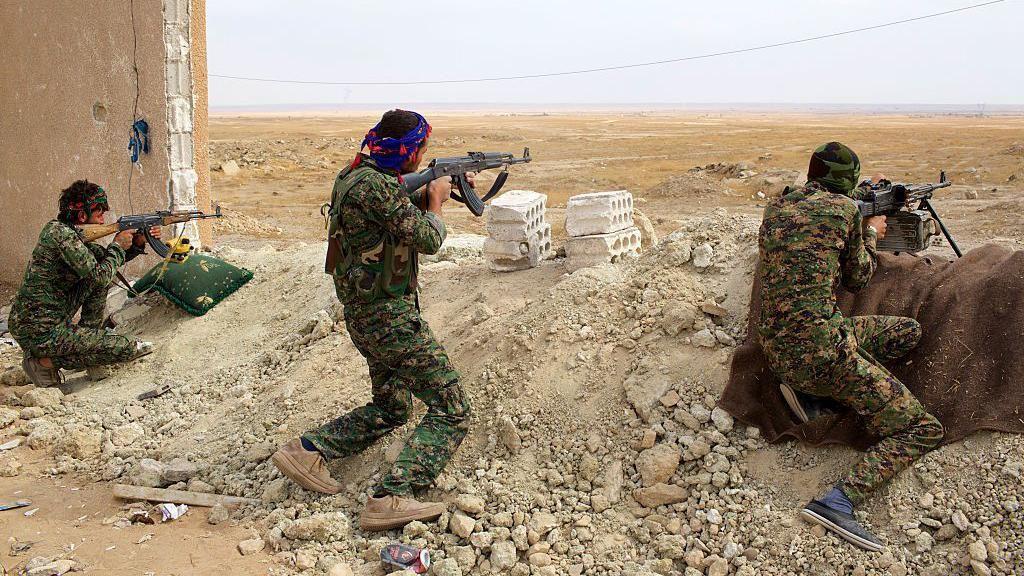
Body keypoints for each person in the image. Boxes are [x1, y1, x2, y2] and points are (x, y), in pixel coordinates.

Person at [271, 109, 471, 532]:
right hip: (389, 318)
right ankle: (393, 495)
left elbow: (386, 217)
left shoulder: (353, 176)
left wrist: (434, 190)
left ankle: (308, 450)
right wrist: (435, 200)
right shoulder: (377, 188)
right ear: (407, 151)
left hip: (365, 315)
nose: (422, 156)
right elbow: (429, 238)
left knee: (392, 407)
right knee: (452, 407)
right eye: (420, 150)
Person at [756, 142, 945, 552]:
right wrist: (870, 233)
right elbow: (858, 279)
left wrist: (862, 195)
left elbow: (827, 203)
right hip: (822, 353)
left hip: (777, 349)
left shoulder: (778, 207)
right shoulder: (843, 215)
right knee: (922, 429)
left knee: (906, 332)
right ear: (844, 185)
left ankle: (807, 391)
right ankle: (837, 502)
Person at [9, 180, 158, 386]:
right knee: (129, 347)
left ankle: (83, 346)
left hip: (52, 321)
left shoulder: (71, 236)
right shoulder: (60, 236)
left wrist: (135, 245)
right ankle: (43, 360)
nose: (102, 221)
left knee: (100, 274)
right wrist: (117, 245)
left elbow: (105, 266)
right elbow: (102, 275)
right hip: (38, 329)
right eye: (99, 215)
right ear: (81, 216)